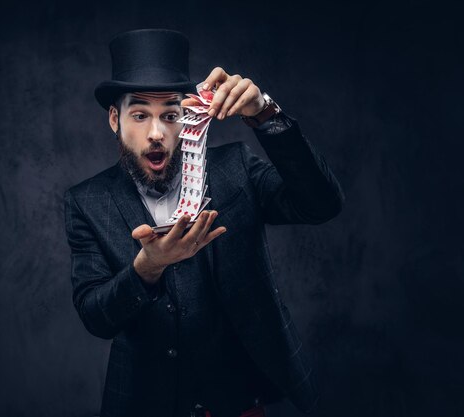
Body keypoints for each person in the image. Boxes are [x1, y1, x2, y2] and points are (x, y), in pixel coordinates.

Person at [64, 29, 344, 417]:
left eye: (171, 115)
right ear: (115, 119)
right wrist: (147, 268)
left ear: (191, 115)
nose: (157, 133)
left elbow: (321, 204)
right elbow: (94, 314)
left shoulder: (236, 169)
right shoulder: (87, 201)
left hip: (238, 403)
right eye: (140, 115)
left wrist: (265, 113)